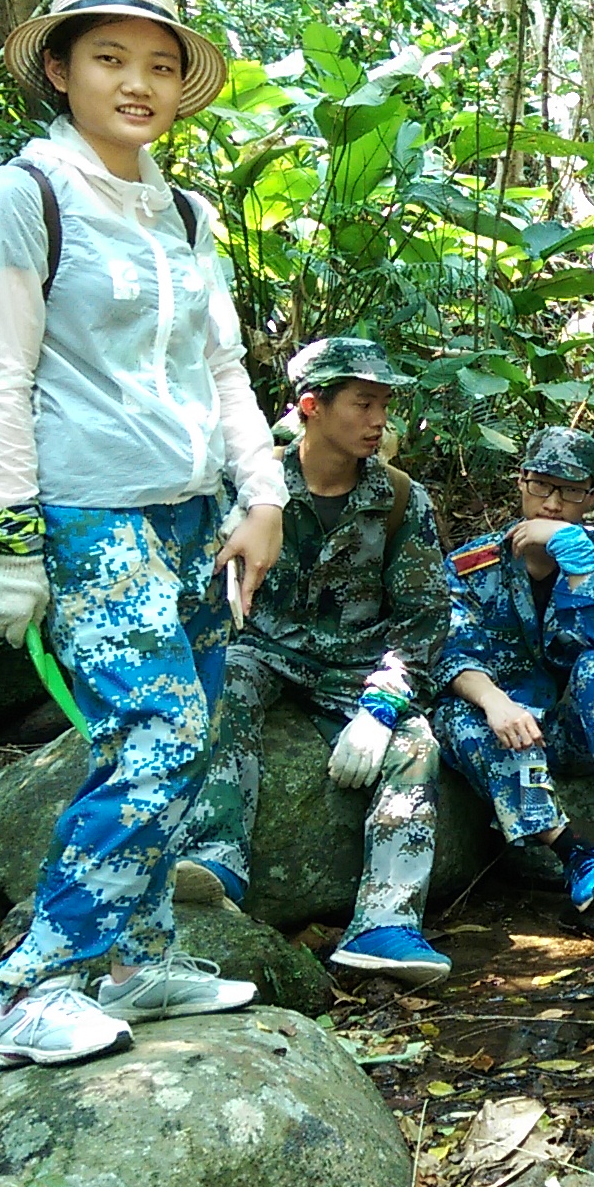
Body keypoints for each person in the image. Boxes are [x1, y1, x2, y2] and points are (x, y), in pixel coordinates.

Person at [0, 0, 277, 1068]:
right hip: (90, 516)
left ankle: (139, 958)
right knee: (157, 733)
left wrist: (263, 494)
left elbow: (223, 368)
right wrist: (9, 544)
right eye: (109, 59)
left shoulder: (185, 212)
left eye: (158, 65)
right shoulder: (23, 199)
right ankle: (36, 982)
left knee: (194, 733)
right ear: (59, 69)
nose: (137, 84)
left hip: (194, 515)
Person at [171, 337, 456, 989]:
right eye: (362, 403)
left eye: (383, 405)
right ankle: (214, 860)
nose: (379, 420)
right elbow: (199, 583)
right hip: (262, 648)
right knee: (223, 681)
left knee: (416, 746)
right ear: (311, 407)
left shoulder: (401, 500)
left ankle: (384, 925)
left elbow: (423, 623)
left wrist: (382, 706)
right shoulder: (253, 488)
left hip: (357, 667)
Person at [436, 426, 594, 915]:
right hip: (505, 730)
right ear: (521, 481)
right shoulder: (470, 565)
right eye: (541, 485)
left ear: (593, 495)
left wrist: (578, 564)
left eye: (571, 491)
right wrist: (496, 703)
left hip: (573, 731)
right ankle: (573, 851)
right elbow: (453, 655)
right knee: (456, 715)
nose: (553, 503)